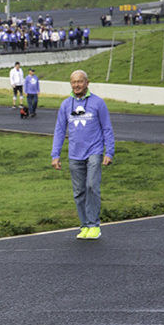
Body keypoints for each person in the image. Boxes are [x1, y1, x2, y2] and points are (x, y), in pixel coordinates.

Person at [52, 70, 114, 240]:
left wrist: (109, 151)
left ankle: (94, 225)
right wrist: (55, 155)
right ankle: (85, 225)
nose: (77, 85)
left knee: (92, 186)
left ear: (87, 83)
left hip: (94, 151)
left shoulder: (98, 103)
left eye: (80, 81)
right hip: (74, 154)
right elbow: (59, 130)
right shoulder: (66, 105)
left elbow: (107, 128)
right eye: (73, 82)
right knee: (79, 191)